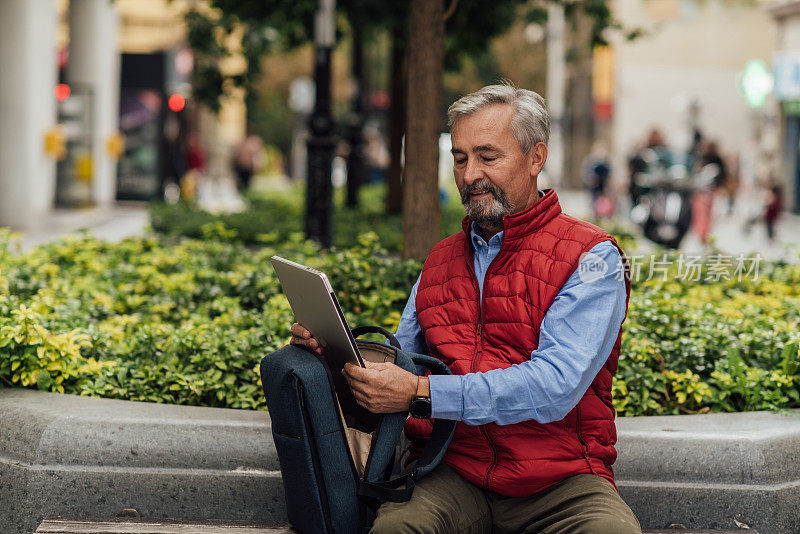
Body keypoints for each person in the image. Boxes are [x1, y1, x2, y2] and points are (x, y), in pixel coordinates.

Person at [291, 84, 639, 534]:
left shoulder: (592, 257)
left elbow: (555, 386)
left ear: (536, 158)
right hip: (450, 470)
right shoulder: (439, 260)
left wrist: (422, 391)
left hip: (562, 483)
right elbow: (402, 363)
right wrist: (332, 353)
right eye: (459, 158)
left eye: (487, 156)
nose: (469, 174)